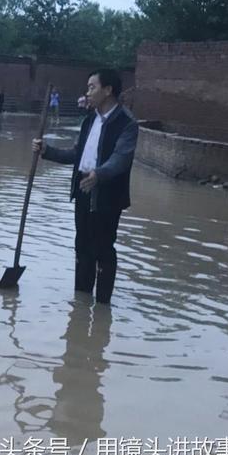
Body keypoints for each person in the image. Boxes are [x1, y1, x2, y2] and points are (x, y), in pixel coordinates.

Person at [33, 69, 138, 304]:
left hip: (107, 197)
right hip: (82, 189)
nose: (87, 92)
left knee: (103, 249)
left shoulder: (126, 123)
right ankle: (80, 304)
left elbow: (121, 158)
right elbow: (76, 154)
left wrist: (99, 174)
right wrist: (47, 151)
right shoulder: (89, 120)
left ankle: (102, 307)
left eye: (92, 87)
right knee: (82, 246)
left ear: (108, 90)